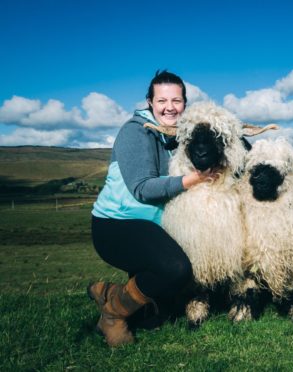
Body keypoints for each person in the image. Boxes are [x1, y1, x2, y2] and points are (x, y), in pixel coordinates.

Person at [88, 70, 214, 347]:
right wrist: (191, 180)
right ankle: (111, 313)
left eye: (177, 101)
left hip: (152, 227)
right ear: (149, 102)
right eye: (162, 101)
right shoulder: (136, 131)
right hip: (117, 225)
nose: (170, 107)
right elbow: (143, 188)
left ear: (185, 103)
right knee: (178, 269)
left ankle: (112, 292)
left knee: (155, 321)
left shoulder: (178, 135)